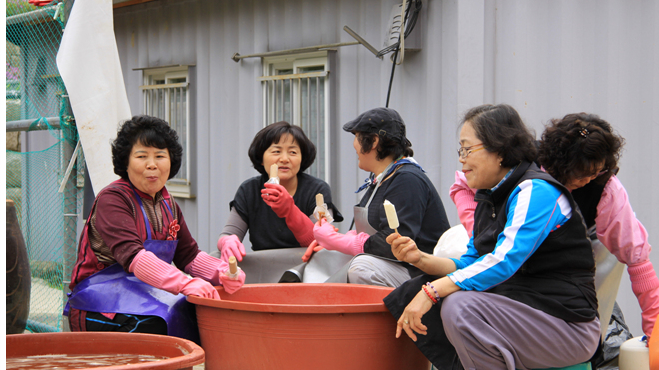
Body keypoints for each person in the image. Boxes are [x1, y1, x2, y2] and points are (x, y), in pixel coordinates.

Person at [383, 104, 600, 370]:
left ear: (500, 149)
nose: (461, 159)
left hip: (567, 327)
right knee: (414, 290)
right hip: (528, 315)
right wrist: (419, 259)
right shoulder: (490, 196)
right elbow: (472, 262)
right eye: (460, 149)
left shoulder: (535, 191)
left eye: (468, 148)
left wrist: (432, 292)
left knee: (459, 305)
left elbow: (504, 260)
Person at [450, 112, 659, 338]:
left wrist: (655, 331)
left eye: (596, 173)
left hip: (576, 257)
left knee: (597, 277)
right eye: (581, 173)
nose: (588, 180)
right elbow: (461, 186)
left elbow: (638, 258)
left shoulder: (606, 189)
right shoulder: (522, 162)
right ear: (558, 163)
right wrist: (480, 231)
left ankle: (587, 347)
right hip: (515, 244)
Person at [66, 116, 245, 343]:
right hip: (97, 303)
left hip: (146, 295)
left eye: (160, 156)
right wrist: (187, 283)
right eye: (142, 156)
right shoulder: (112, 199)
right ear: (126, 162)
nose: (152, 164)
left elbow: (188, 255)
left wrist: (223, 273)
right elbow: (134, 258)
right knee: (158, 327)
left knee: (206, 315)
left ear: (171, 162)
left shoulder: (169, 205)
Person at [312, 107, 450, 287]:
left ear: (374, 141)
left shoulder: (407, 179)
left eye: (356, 136)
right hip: (391, 266)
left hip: (419, 273)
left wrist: (337, 240)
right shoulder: (382, 178)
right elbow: (369, 236)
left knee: (362, 268)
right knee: (325, 256)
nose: (354, 145)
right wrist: (330, 244)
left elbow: (395, 242)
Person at [218, 122, 343, 276]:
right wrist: (227, 241)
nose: (284, 159)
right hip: (263, 268)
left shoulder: (318, 190)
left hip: (307, 268)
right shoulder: (249, 190)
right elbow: (229, 233)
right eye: (276, 151)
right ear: (261, 159)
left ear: (302, 158)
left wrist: (289, 210)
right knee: (216, 258)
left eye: (293, 152)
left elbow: (318, 240)